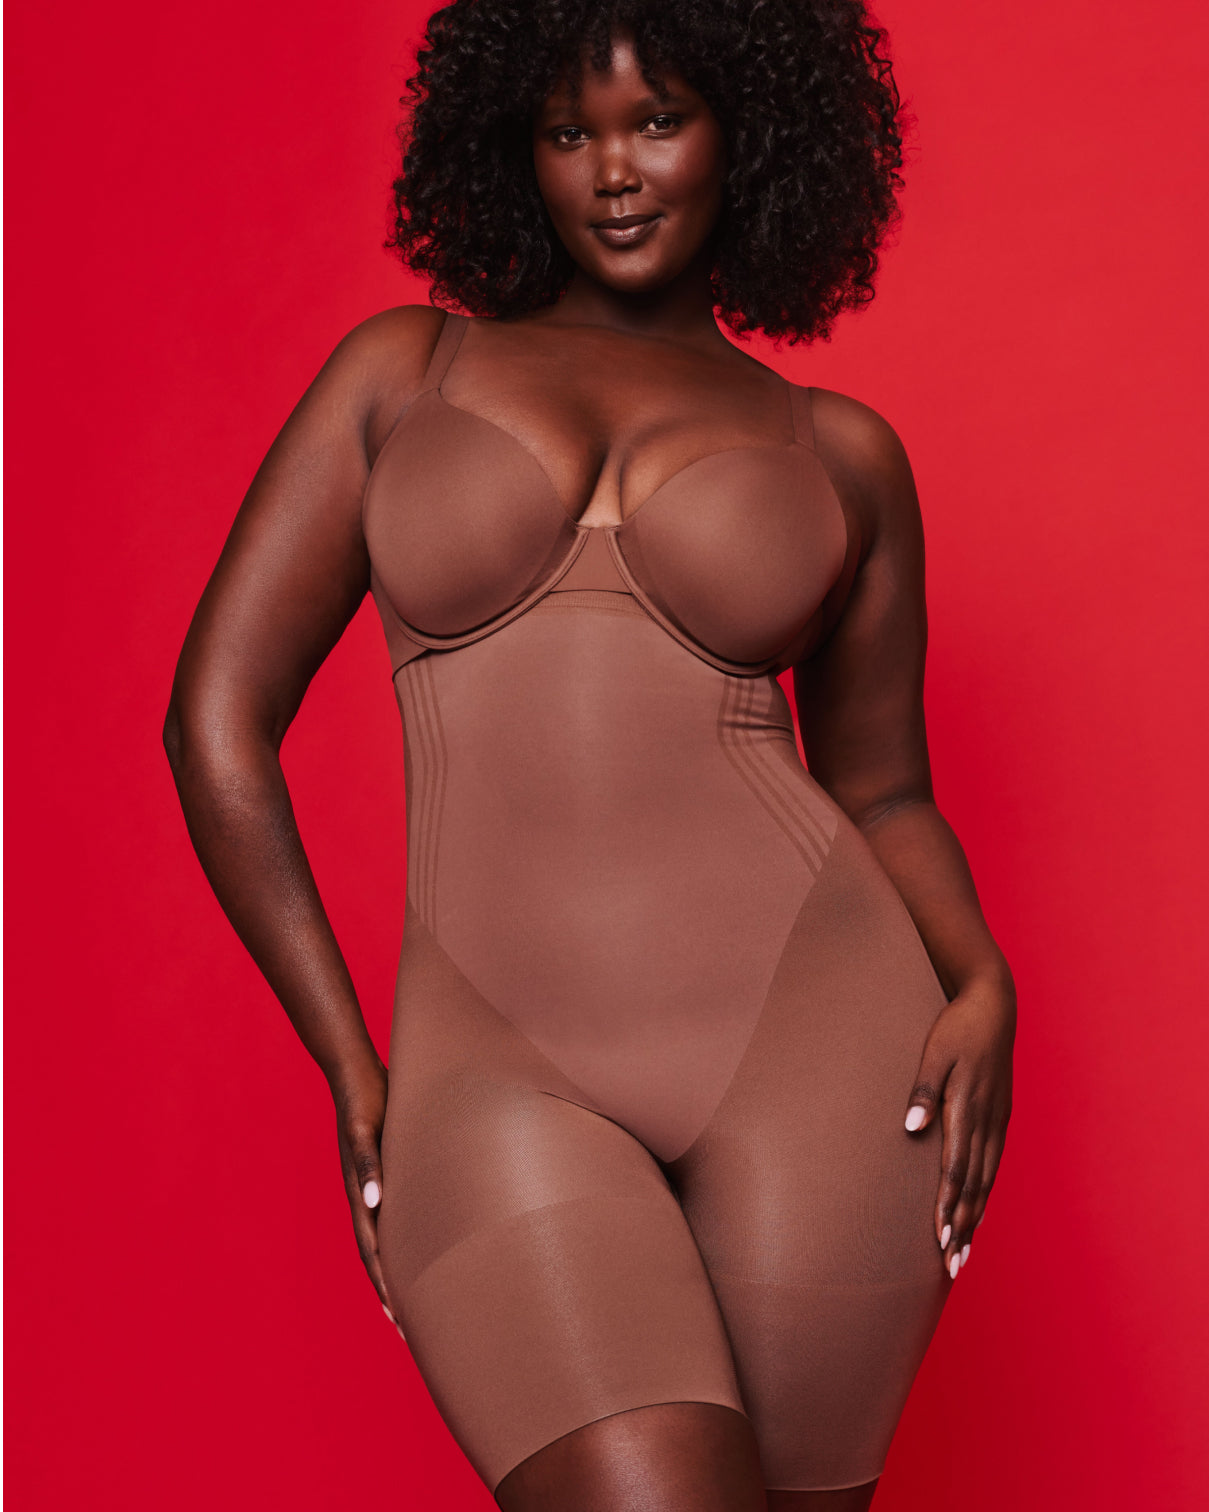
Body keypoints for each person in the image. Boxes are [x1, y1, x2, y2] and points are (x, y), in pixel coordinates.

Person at [163, 2, 1016, 1507]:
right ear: (514, 149)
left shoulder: (839, 450)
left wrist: (983, 979)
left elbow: (883, 789)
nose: (613, 171)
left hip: (820, 1055)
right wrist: (351, 1061)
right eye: (570, 132)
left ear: (749, 135)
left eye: (657, 121)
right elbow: (214, 721)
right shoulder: (402, 374)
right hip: (497, 1071)